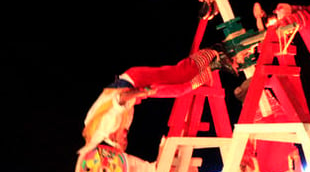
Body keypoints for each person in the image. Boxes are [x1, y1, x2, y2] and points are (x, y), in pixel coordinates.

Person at [80, 47, 234, 155]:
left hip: (134, 81)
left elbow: (120, 98)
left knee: (179, 75)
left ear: (113, 138)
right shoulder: (116, 129)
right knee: (179, 89)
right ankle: (215, 65)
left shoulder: (108, 125)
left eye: (123, 139)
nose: (125, 137)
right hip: (137, 90)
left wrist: (144, 91)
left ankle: (214, 52)